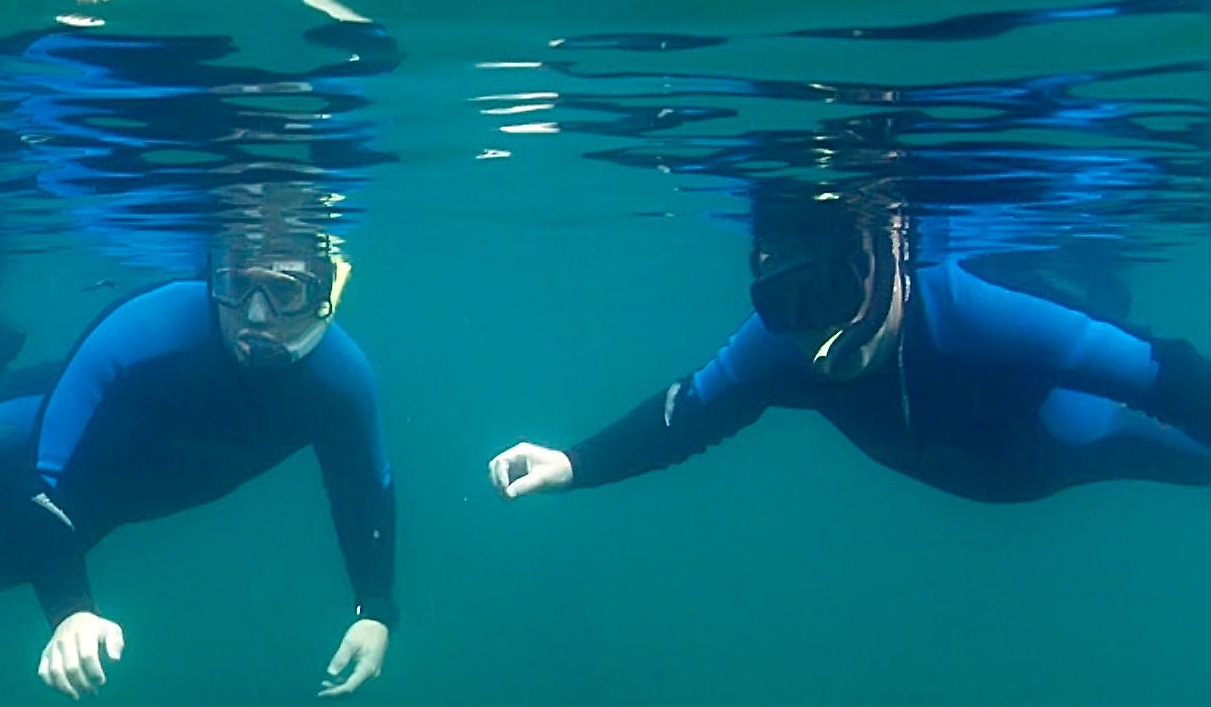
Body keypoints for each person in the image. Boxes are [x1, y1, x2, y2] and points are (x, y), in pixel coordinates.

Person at [0, 188, 397, 700]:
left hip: (81, 510)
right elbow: (47, 471)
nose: (256, 314)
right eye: (237, 284)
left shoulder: (340, 384)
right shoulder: (150, 325)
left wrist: (374, 609)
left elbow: (363, 492)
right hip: (23, 435)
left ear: (322, 292)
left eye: (283, 290)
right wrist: (71, 609)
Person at [489, 185, 1211, 510]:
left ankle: (1093, 275)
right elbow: (689, 415)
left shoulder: (963, 310)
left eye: (829, 294)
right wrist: (574, 464)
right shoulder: (778, 348)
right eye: (781, 304)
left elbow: (1159, 370)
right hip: (1000, 472)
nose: (811, 330)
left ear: (887, 262)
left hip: (1065, 445)